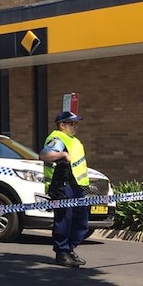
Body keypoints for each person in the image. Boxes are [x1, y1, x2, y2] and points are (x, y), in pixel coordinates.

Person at [39, 110, 90, 267]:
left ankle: (69, 248)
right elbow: (44, 155)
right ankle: (61, 252)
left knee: (82, 220)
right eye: (72, 123)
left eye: (76, 123)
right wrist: (62, 155)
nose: (75, 126)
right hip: (62, 185)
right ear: (62, 125)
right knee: (64, 220)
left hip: (76, 187)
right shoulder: (57, 138)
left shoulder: (73, 140)